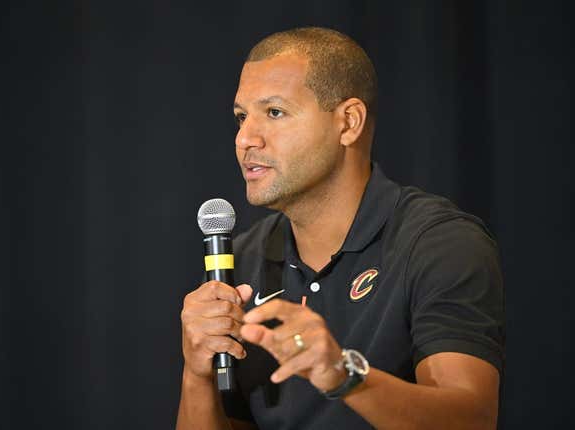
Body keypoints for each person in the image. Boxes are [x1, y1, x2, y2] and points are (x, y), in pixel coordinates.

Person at [176, 27, 504, 429]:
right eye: (241, 117)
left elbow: (472, 420)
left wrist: (344, 374)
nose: (245, 138)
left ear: (348, 122)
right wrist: (197, 375)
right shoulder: (240, 259)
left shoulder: (440, 243)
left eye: (274, 112)